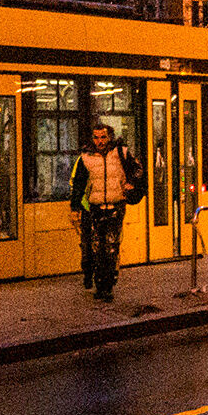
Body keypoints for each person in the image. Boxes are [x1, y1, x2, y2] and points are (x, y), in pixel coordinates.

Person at [69, 122, 143, 302]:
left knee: (111, 246)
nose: (100, 141)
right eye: (96, 138)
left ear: (109, 137)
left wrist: (131, 183)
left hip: (116, 205)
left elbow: (138, 170)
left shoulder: (121, 153)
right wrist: (75, 208)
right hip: (95, 207)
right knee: (98, 247)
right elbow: (78, 184)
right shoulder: (86, 157)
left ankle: (107, 286)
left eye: (103, 137)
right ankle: (100, 283)